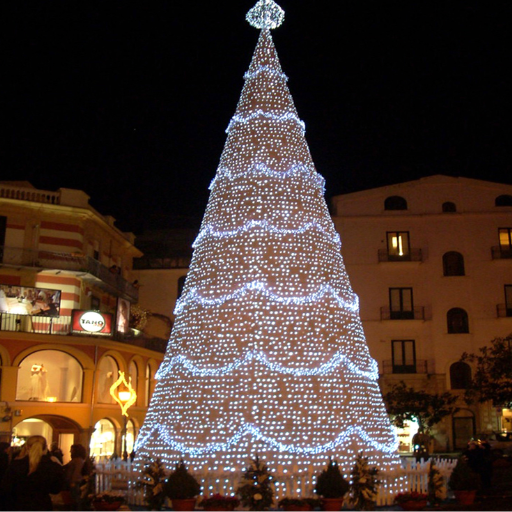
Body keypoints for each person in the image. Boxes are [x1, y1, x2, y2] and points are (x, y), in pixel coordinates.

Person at [0, 435, 64, 511]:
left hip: (18, 505)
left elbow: (6, 488)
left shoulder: (16, 464)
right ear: (45, 448)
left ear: (27, 447)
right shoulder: (52, 466)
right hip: (42, 505)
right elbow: (55, 489)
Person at [64, 444, 87, 510]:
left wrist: (72, 482)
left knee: (75, 501)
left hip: (75, 483)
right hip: (76, 483)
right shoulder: (79, 460)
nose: (70, 451)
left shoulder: (77, 461)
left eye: (71, 450)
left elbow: (76, 473)